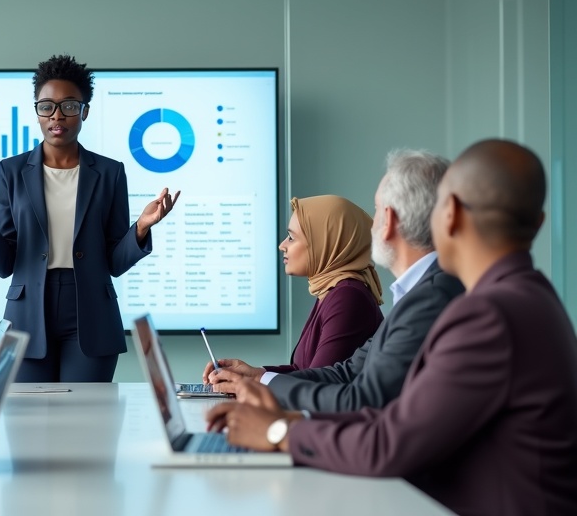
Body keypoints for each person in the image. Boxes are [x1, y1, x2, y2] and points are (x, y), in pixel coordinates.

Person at [207, 139, 577, 516]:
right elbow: (390, 414)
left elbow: (389, 441)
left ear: (449, 214)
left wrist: (278, 433)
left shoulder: (487, 315)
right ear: (538, 223)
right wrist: (279, 410)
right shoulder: (531, 297)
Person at [0, 54, 179, 382]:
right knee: (28, 422)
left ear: (85, 110)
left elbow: (114, 261)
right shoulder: (11, 172)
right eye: (46, 106)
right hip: (28, 312)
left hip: (91, 313)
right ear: (37, 111)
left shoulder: (109, 172)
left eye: (69, 106)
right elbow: (4, 265)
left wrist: (142, 227)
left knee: (88, 423)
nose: (56, 116)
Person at [205, 150, 464, 412]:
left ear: (390, 222)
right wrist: (257, 378)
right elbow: (345, 372)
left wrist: (280, 432)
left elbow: (356, 398)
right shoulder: (414, 293)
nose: (371, 225)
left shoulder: (422, 298)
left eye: (376, 211)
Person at [207, 195, 384, 377]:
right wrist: (253, 373)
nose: (282, 245)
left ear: (323, 242)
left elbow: (317, 381)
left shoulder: (347, 296)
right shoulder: (331, 291)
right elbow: (303, 372)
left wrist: (256, 381)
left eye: (291, 238)